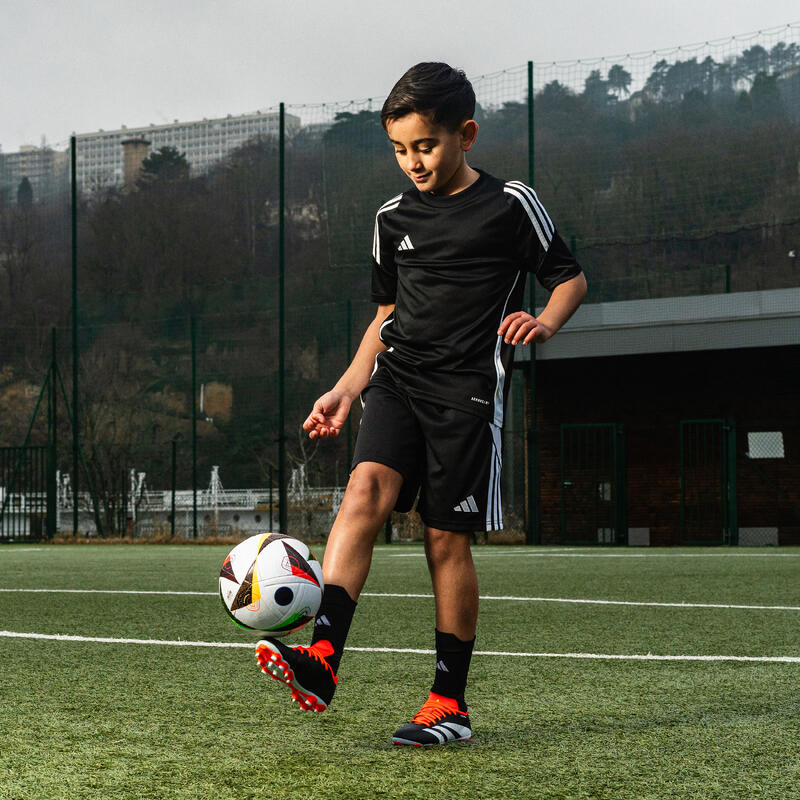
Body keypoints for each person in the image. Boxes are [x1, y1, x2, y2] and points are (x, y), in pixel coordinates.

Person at [255, 62, 587, 746]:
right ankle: (320, 659)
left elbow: (569, 278)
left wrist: (546, 321)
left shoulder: (510, 204)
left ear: (464, 134)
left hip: (466, 392)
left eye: (425, 146)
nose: (412, 162)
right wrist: (347, 388)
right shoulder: (390, 220)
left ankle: (449, 704)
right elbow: (386, 314)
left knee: (444, 540)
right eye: (400, 150)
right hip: (396, 382)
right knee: (362, 495)